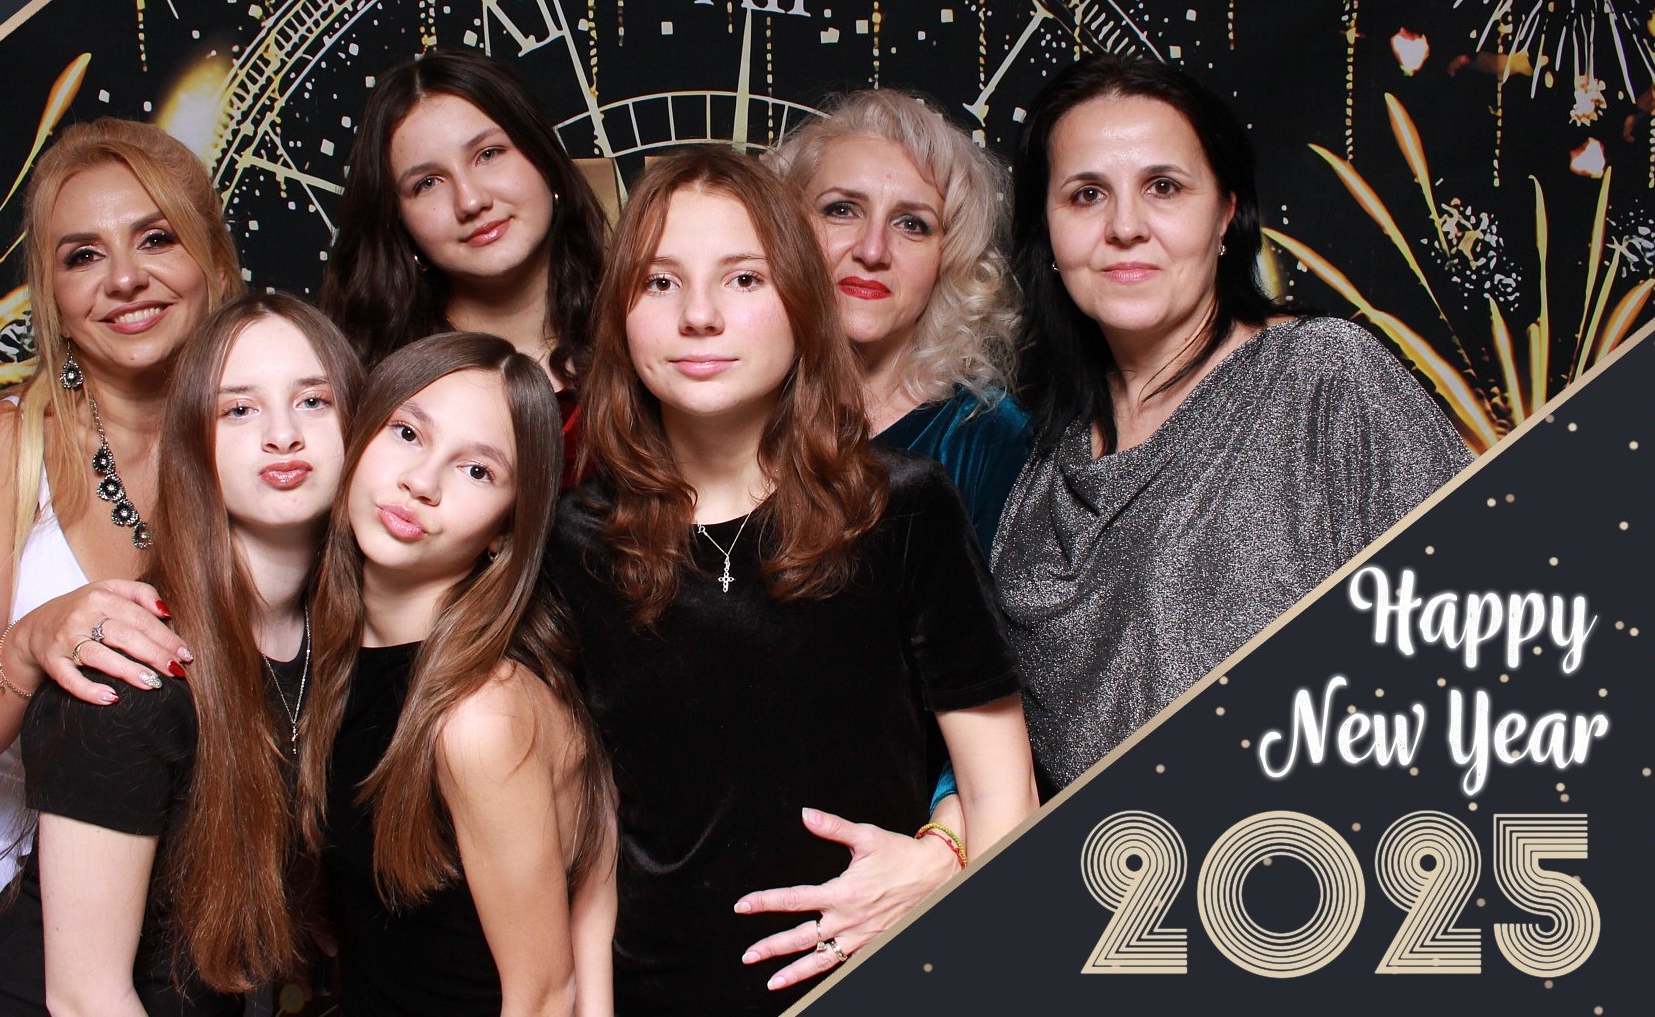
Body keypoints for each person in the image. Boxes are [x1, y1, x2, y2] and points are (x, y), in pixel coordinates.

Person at [551, 147, 1037, 1015]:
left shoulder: (902, 509)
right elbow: (581, 830)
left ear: (803, 305)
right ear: (620, 314)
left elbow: (1004, 792)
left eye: (743, 279)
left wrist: (953, 894)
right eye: (660, 282)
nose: (700, 316)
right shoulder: (576, 541)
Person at [996, 53, 1474, 794]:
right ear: (1047, 232)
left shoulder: (1324, 382)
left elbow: (1481, 646)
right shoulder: (1037, 467)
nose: (1125, 227)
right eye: (1086, 195)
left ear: (1226, 212)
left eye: (1163, 187)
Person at [0, 294, 365, 1013]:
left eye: (312, 401)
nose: (283, 435)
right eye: (239, 410)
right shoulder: (135, 678)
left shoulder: (328, 644)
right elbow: (86, 997)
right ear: (192, 447)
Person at [0, 119, 241, 985]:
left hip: (197, 884)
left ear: (214, 259)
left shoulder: (270, 441)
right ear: (51, 295)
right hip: (2, 881)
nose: (124, 278)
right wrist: (30, 643)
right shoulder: (8, 449)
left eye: (157, 239)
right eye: (83, 255)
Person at [297, 333, 615, 1017]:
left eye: (477, 471)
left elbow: (544, 995)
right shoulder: (326, 654)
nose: (422, 482)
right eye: (408, 433)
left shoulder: (480, 715)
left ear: (507, 530)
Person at [318, 50, 608, 474]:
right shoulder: (364, 389)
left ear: (543, 158)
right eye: (427, 183)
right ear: (399, 221)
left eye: (488, 154)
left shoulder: (647, 339)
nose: (470, 201)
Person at [770, 88, 1030, 551]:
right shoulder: (732, 414)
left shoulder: (989, 440)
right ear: (786, 230)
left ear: (949, 257)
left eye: (912, 224)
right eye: (841, 210)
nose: (872, 250)